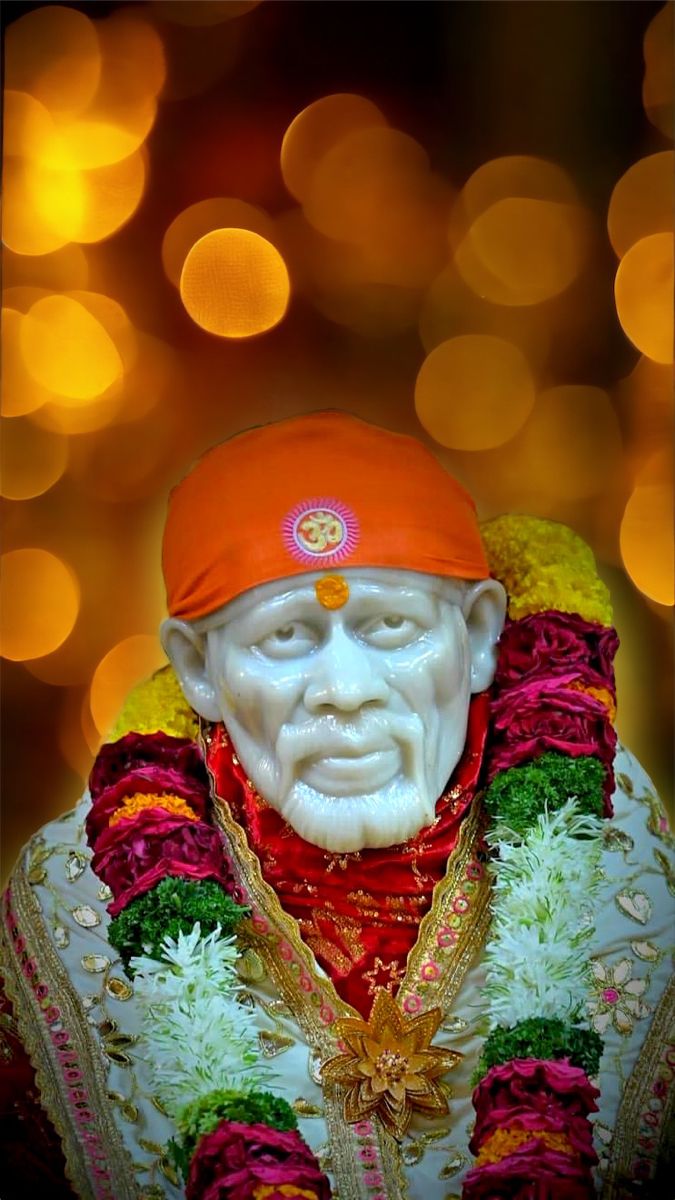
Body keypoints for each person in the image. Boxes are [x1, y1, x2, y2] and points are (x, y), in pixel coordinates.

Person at [1, 412, 673, 1200]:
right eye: (284, 636)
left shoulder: (612, 841)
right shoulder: (76, 897)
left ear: (477, 636)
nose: (346, 691)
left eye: (391, 626)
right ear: (198, 669)